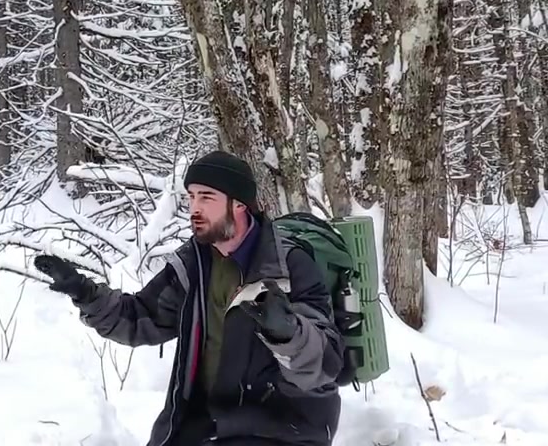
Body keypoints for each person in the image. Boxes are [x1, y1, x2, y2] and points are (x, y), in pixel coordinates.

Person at [34, 150, 344, 446]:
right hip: (200, 426)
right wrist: (86, 293)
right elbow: (139, 318)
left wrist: (287, 333)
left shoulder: (288, 264)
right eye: (191, 196)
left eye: (206, 198)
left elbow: (326, 364)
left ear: (238, 205)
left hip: (280, 429)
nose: (194, 208)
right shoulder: (194, 265)